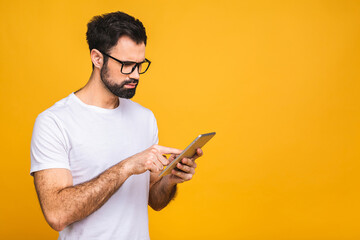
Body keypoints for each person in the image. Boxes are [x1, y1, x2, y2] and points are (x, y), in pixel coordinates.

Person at [30, 11, 203, 239]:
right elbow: (57, 214)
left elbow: (154, 200)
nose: (136, 75)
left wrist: (170, 180)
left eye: (140, 65)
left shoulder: (145, 118)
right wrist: (127, 167)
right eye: (127, 65)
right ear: (97, 58)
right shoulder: (54, 122)